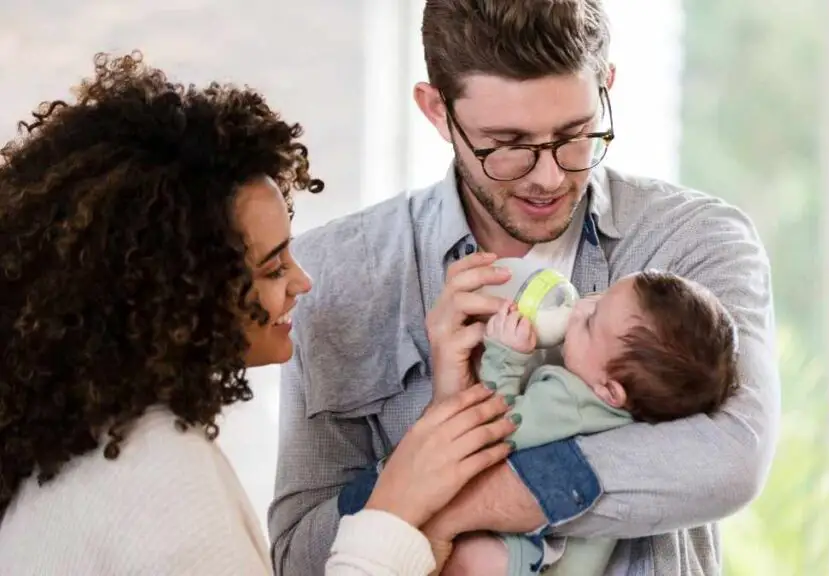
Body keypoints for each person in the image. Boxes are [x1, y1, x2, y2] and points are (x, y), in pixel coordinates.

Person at [269, 0, 781, 574]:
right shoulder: (338, 273)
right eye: (508, 142)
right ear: (437, 112)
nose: (550, 177)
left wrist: (445, 504)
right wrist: (443, 421)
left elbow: (731, 456)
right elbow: (298, 557)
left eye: (574, 134)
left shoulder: (691, 241)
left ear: (605, 86)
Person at [0, 52, 517, 576]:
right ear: (185, 291)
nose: (303, 281)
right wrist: (395, 502)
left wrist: (423, 522)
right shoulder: (157, 476)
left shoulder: (87, 440)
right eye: (273, 269)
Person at [443, 270, 741, 575]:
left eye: (589, 322)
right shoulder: (640, 412)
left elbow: (494, 432)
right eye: (601, 297)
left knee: (468, 558)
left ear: (609, 391)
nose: (580, 306)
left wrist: (503, 357)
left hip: (525, 557)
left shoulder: (568, 401)